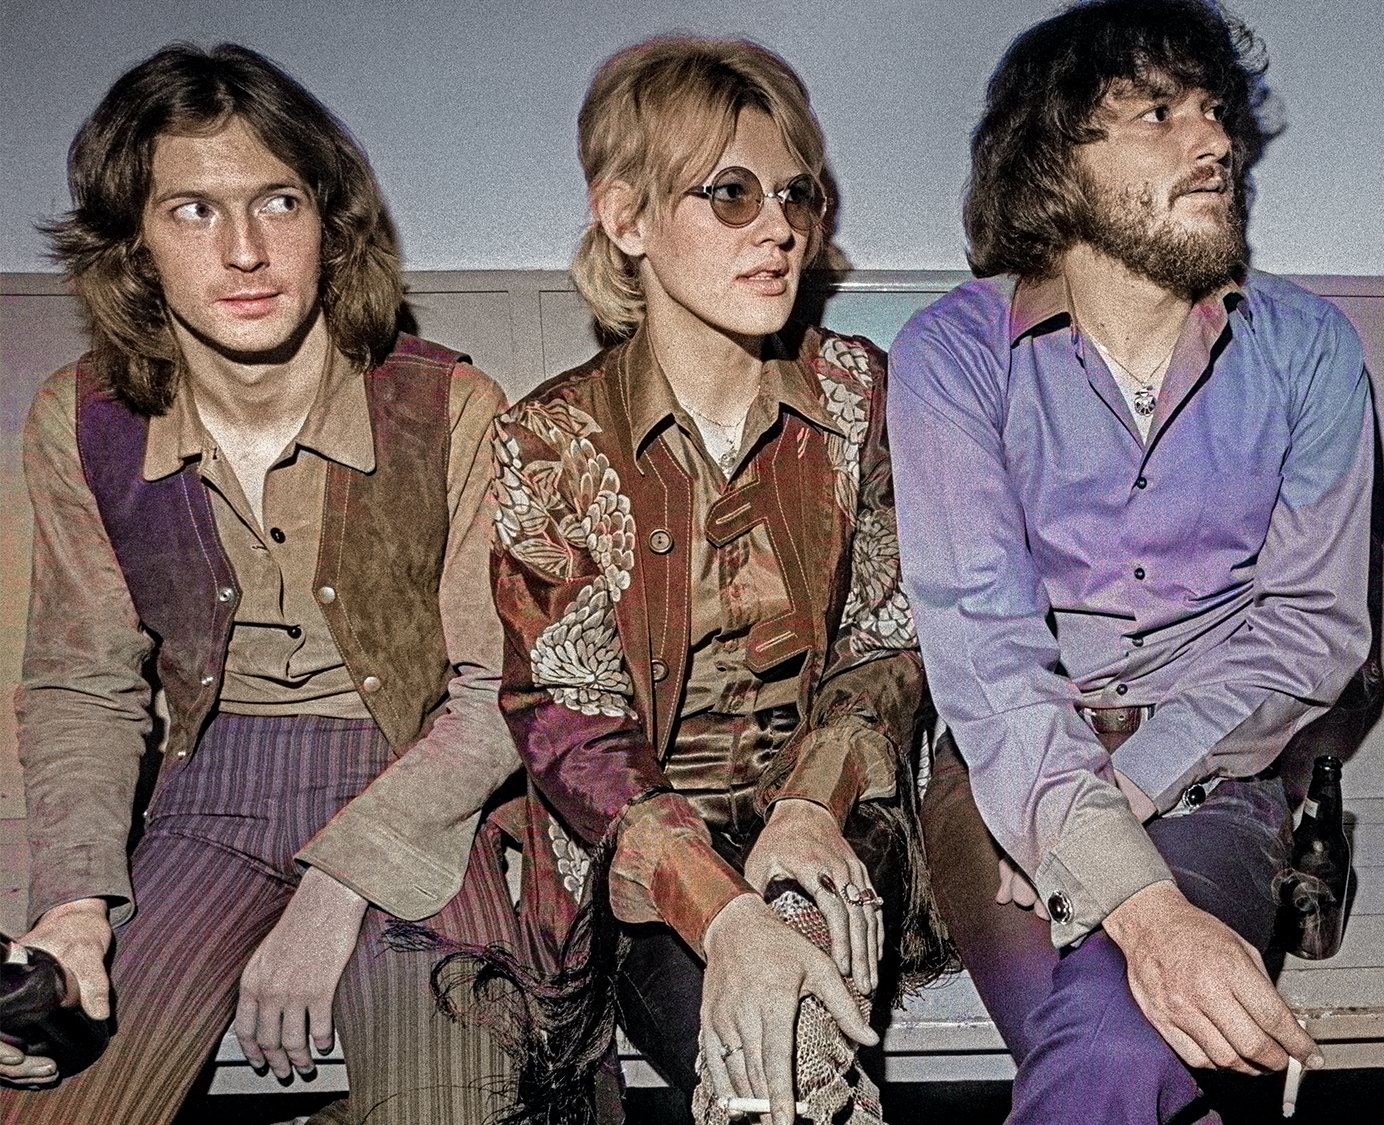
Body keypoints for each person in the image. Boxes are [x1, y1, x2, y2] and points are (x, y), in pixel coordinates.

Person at [0, 43, 522, 1124]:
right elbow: (81, 686)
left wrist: (337, 889)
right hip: (206, 794)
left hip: (421, 789)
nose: (244, 250)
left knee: (452, 1110)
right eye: (191, 211)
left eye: (277, 201)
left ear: (330, 223)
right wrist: (73, 904)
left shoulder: (451, 406)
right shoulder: (81, 419)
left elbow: (497, 694)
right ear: (135, 245)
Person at [888, 1, 1378, 1120]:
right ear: (1054, 162)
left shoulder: (1307, 349)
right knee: (1127, 1045)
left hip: (1216, 773)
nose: (1212, 143)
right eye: (1157, 114)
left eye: (1214, 113)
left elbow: (1312, 632)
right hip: (1007, 781)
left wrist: (1129, 794)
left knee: (1111, 1043)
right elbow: (988, 657)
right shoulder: (952, 357)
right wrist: (1128, 892)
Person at [480, 36, 935, 1125]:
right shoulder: (549, 437)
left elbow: (887, 639)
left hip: (826, 820)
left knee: (799, 1036)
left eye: (794, 194)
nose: (777, 227)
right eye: (727, 194)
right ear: (626, 217)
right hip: (641, 853)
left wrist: (809, 807)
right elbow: (566, 720)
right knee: (761, 1053)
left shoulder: (856, 392)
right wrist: (720, 910)